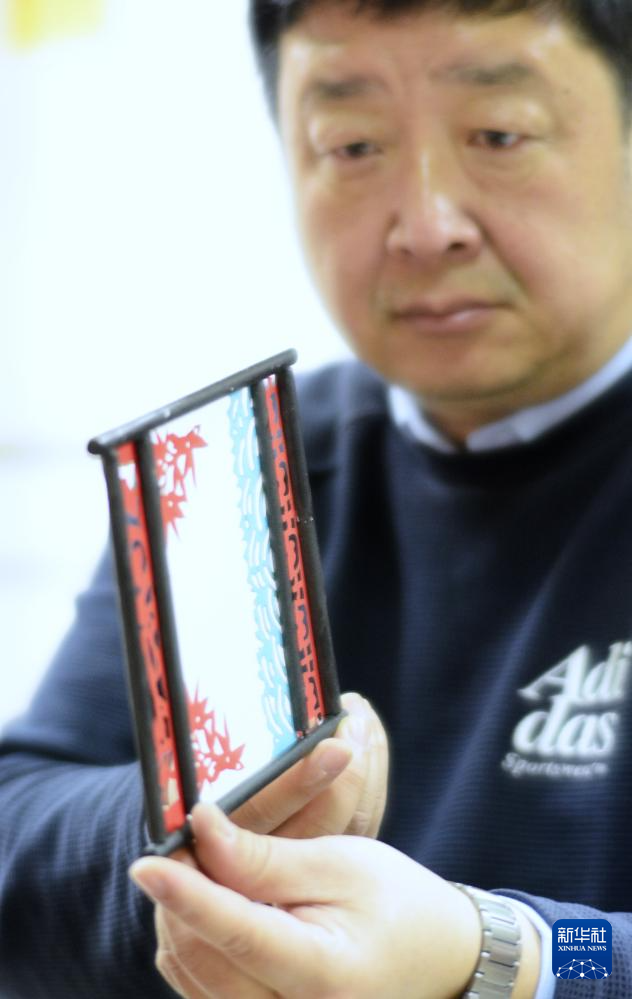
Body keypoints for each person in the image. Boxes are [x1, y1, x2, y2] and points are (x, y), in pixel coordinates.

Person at [3, 0, 632, 995]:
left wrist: (505, 955)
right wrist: (208, 832)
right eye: (353, 146)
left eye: (498, 134)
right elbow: (17, 828)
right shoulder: (255, 475)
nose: (426, 225)